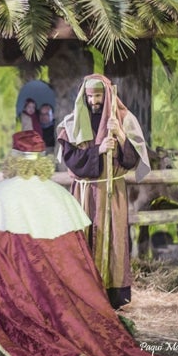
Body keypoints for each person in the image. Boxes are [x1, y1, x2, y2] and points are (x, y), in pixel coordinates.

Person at [0, 130, 178, 356]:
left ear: (13, 160)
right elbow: (77, 261)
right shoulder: (59, 194)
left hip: (28, 292)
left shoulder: (2, 193)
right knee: (84, 325)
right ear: (42, 159)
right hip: (65, 296)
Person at [57, 74, 150, 309]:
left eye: (97, 96)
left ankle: (112, 296)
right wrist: (98, 150)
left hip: (112, 190)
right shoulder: (72, 122)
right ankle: (82, 293)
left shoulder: (125, 120)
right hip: (85, 194)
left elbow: (131, 160)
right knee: (83, 238)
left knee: (113, 240)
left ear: (107, 95)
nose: (93, 101)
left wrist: (119, 134)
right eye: (89, 96)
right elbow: (71, 160)